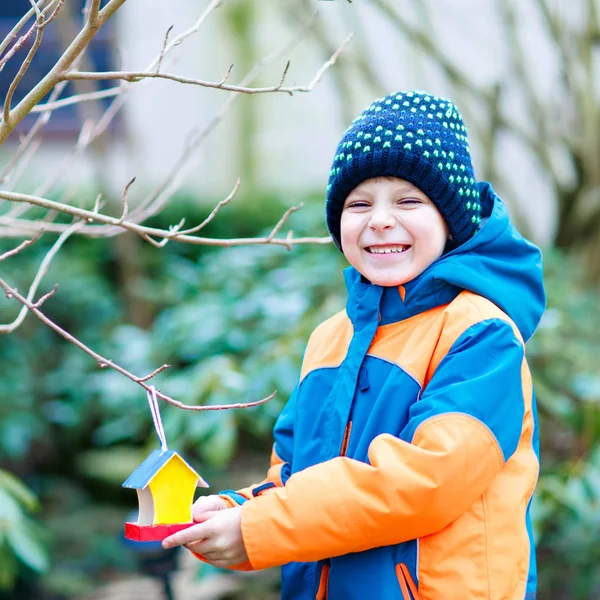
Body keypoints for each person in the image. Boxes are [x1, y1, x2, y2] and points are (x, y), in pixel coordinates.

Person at [163, 90, 545, 600]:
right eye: (358, 203)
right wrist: (242, 510)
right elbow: (297, 475)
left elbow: (426, 483)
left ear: (451, 222)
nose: (380, 219)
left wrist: (264, 529)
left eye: (408, 201)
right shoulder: (331, 337)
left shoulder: (481, 335)